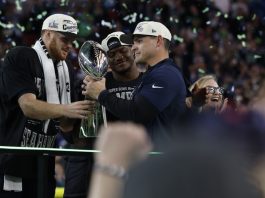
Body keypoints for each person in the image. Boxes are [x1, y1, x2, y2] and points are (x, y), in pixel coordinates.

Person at [0, 13, 94, 198]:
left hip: (43, 163)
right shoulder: (20, 56)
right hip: (11, 162)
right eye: (64, 39)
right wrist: (69, 109)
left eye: (73, 40)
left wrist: (91, 100)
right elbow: (28, 106)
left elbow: (66, 126)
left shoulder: (65, 68)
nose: (69, 45)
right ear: (48, 34)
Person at [63, 31, 143, 198]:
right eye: (112, 54)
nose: (119, 57)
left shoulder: (150, 82)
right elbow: (74, 133)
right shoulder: (92, 83)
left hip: (138, 161)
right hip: (97, 163)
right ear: (106, 61)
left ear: (133, 50)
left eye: (123, 50)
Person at [82, 21, 187, 148]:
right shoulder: (156, 73)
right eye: (134, 42)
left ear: (158, 41)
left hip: (161, 156)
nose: (134, 47)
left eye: (139, 41)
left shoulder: (165, 74)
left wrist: (101, 94)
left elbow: (137, 112)